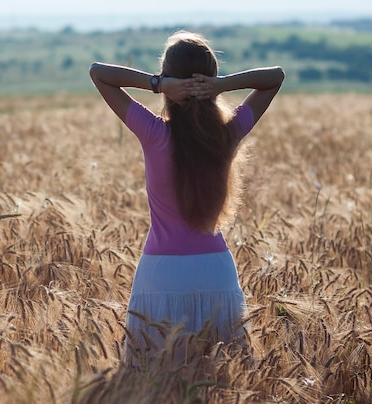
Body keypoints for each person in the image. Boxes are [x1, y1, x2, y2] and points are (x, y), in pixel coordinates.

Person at [89, 31, 284, 363]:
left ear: (169, 81)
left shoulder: (153, 133)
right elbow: (274, 78)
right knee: (222, 380)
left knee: (150, 381)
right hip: (216, 273)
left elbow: (99, 74)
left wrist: (156, 83)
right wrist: (220, 85)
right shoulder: (228, 134)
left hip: (160, 275)